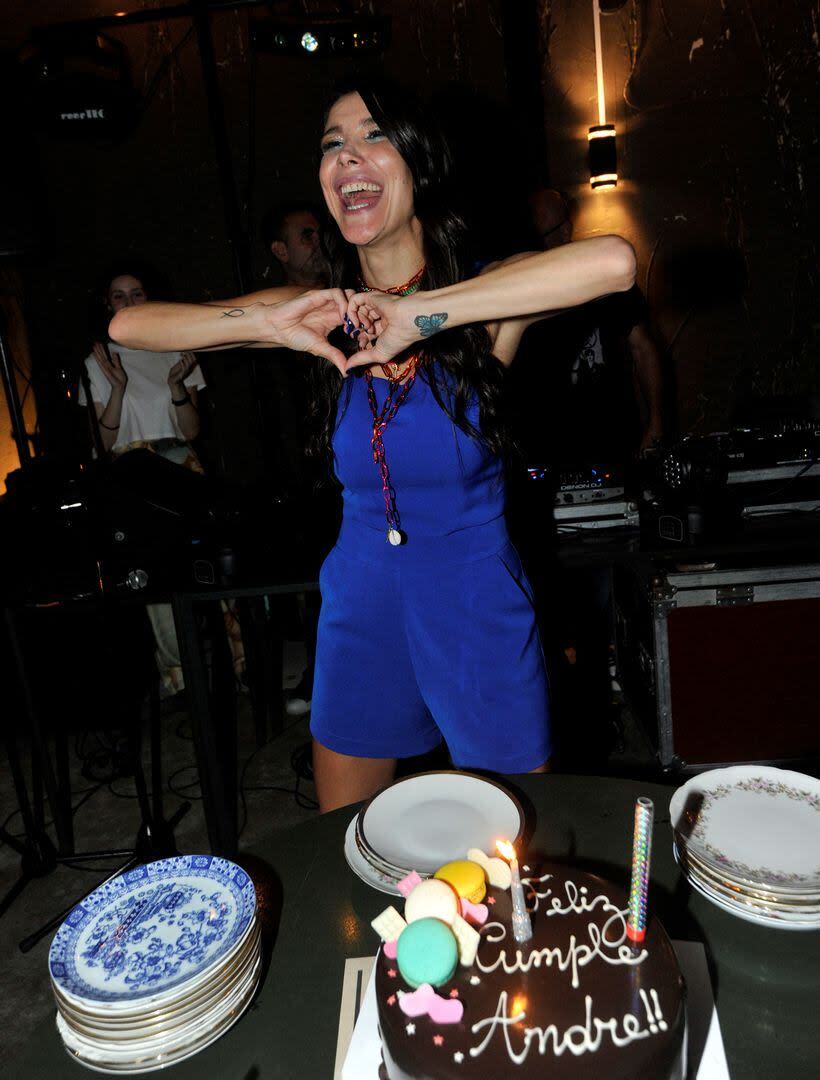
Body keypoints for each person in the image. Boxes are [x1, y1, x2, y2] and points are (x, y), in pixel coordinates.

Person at [109, 80, 636, 812]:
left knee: (510, 846)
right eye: (332, 143)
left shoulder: (481, 298)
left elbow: (613, 263)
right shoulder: (321, 310)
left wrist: (419, 316)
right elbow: (129, 330)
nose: (347, 155)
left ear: (419, 164)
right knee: (344, 839)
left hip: (475, 594)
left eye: (373, 135)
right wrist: (270, 324)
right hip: (360, 592)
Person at [79, 265, 243, 696]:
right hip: (131, 470)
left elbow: (191, 431)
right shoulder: (98, 359)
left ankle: (238, 665)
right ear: (107, 304)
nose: (129, 302)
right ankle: (183, 676)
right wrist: (116, 388)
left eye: (137, 293)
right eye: (119, 295)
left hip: (178, 462)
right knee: (153, 574)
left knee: (209, 565)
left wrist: (176, 385)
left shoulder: (175, 348)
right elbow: (103, 441)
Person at [511, 188, 664, 464]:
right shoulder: (525, 290)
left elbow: (644, 347)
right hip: (549, 448)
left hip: (612, 440)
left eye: (544, 235)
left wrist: (656, 422)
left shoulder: (606, 279)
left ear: (566, 230)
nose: (540, 247)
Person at [260, 201, 333, 718]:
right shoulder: (276, 309)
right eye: (306, 235)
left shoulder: (346, 292)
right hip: (307, 470)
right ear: (281, 250)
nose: (318, 242)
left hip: (352, 457)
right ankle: (317, 675)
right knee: (316, 578)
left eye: (319, 233)